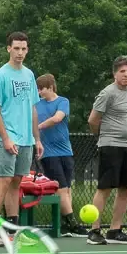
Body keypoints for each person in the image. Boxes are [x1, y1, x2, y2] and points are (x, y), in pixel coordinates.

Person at [0, 32, 42, 247]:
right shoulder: (1, 76)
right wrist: (6, 138)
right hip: (8, 137)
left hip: (26, 139)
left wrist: (37, 139)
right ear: (8, 48)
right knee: (4, 181)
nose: (20, 52)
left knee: (17, 182)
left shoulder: (29, 75)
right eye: (16, 48)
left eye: (24, 49)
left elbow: (33, 109)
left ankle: (12, 230)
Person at [86, 55, 127, 245]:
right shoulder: (107, 93)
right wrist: (102, 137)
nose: (126, 75)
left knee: (125, 189)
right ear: (114, 73)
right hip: (110, 146)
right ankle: (94, 231)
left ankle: (115, 230)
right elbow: (93, 120)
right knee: (105, 188)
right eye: (122, 71)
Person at [35, 74, 84, 237]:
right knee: (60, 189)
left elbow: (57, 118)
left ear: (50, 87)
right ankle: (73, 223)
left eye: (42, 89)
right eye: (38, 89)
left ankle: (64, 226)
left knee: (67, 190)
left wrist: (39, 126)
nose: (40, 92)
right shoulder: (35, 105)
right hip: (48, 154)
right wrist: (36, 131)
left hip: (65, 151)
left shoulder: (63, 101)